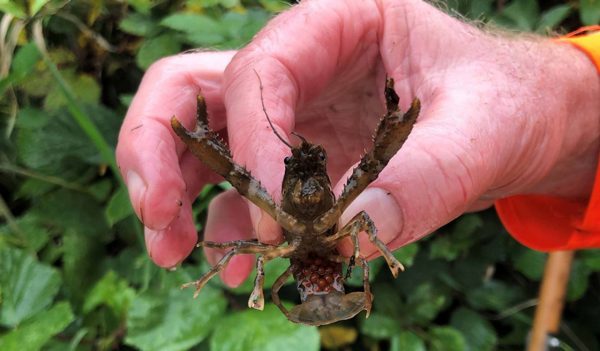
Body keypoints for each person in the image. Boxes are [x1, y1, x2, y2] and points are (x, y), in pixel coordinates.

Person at [116, 0, 600, 287]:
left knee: (255, 192)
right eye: (301, 167)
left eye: (313, 165)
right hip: (313, 258)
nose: (306, 173)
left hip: (310, 251)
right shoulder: (307, 209)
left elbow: (368, 182)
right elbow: (249, 191)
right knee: (243, 189)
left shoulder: (307, 206)